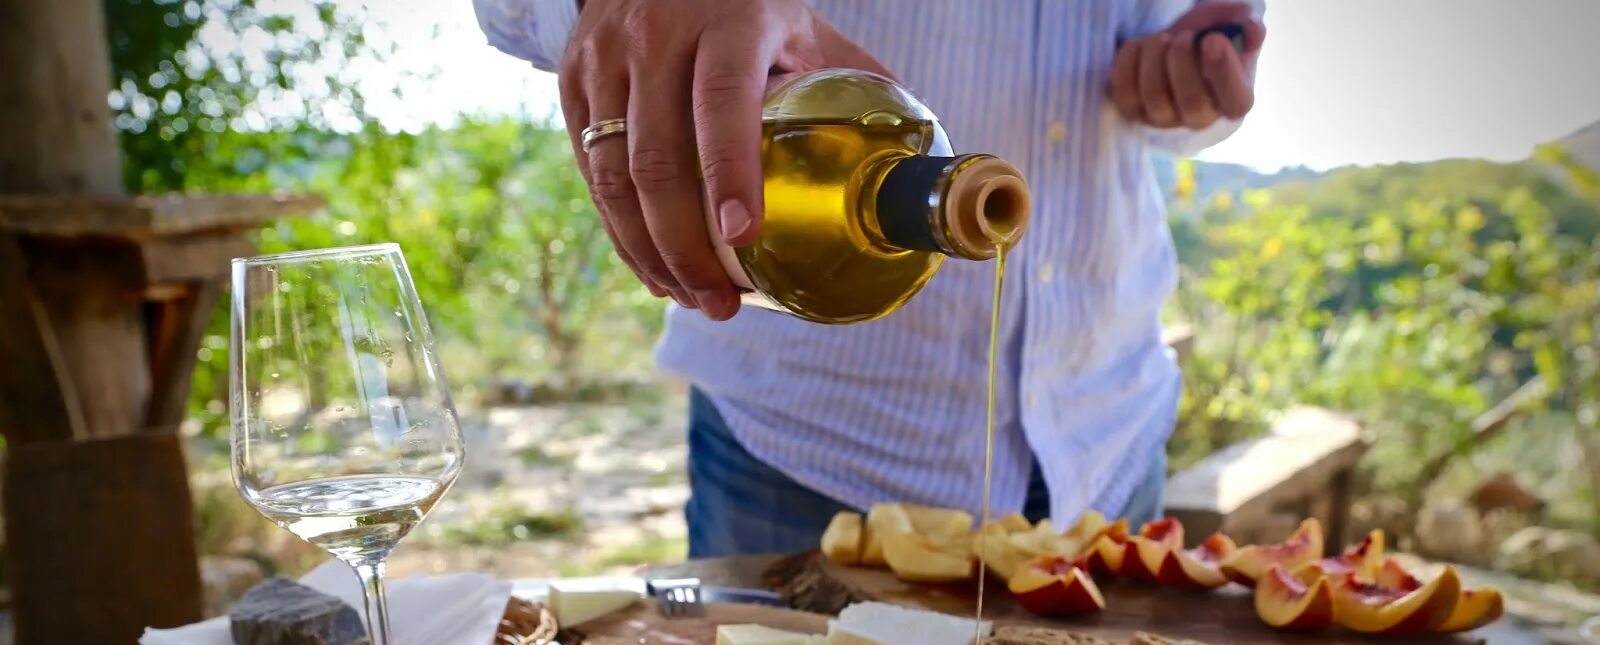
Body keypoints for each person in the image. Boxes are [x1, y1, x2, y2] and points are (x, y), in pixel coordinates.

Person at [472, 0, 1267, 557]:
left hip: (1108, 438)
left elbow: (1210, 80)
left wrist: (1199, 78)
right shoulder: (885, 141)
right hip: (810, 456)